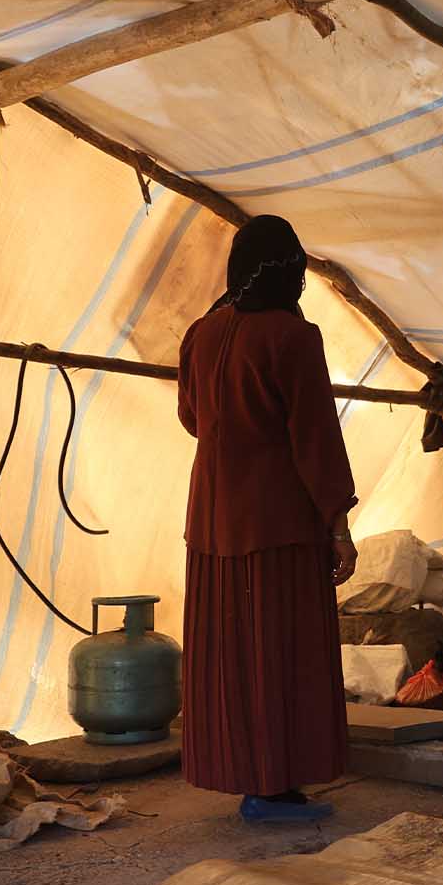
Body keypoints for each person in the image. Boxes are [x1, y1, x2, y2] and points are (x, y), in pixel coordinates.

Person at [177, 215, 360, 823]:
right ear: (289, 271)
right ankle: (274, 787)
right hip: (277, 520)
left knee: (229, 652)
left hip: (211, 517)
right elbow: (314, 439)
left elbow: (191, 419)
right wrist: (337, 523)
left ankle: (244, 776)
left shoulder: (201, 332)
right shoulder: (293, 338)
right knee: (280, 650)